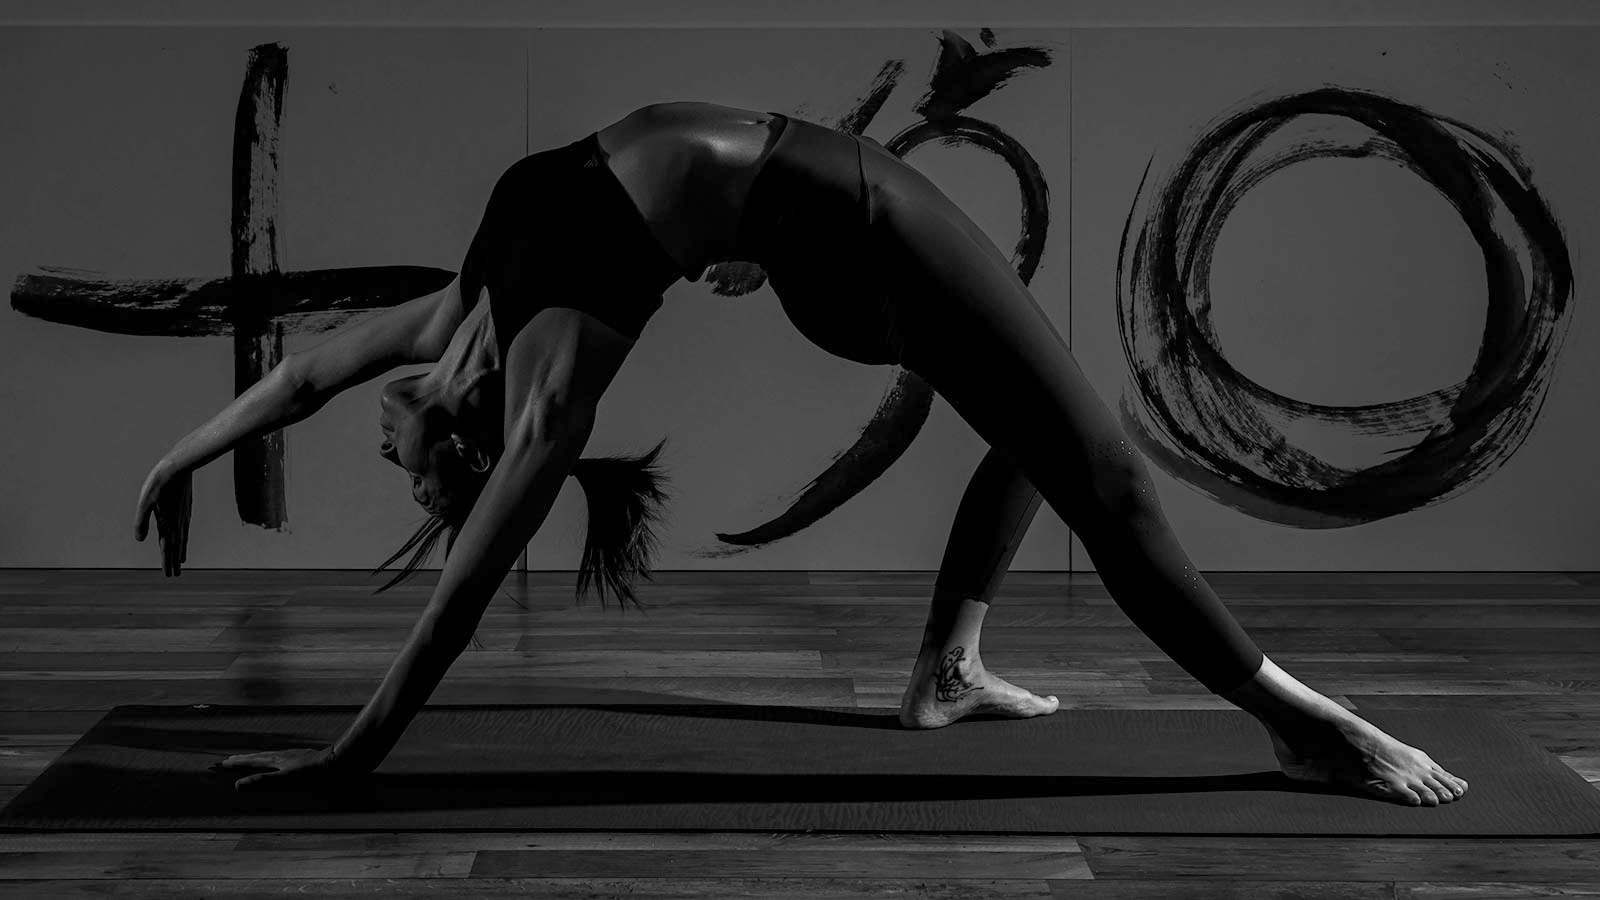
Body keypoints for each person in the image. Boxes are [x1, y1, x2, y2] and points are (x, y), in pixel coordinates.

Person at [134, 101, 1466, 806]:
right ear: (470, 440)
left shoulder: (464, 311)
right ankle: (1307, 730)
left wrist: (176, 462)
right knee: (1104, 474)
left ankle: (946, 673)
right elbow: (454, 610)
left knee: (1045, 439)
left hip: (826, 248)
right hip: (872, 235)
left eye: (401, 460)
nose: (389, 445)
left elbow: (304, 373)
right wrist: (350, 756)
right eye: (414, 470)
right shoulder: (546, 394)